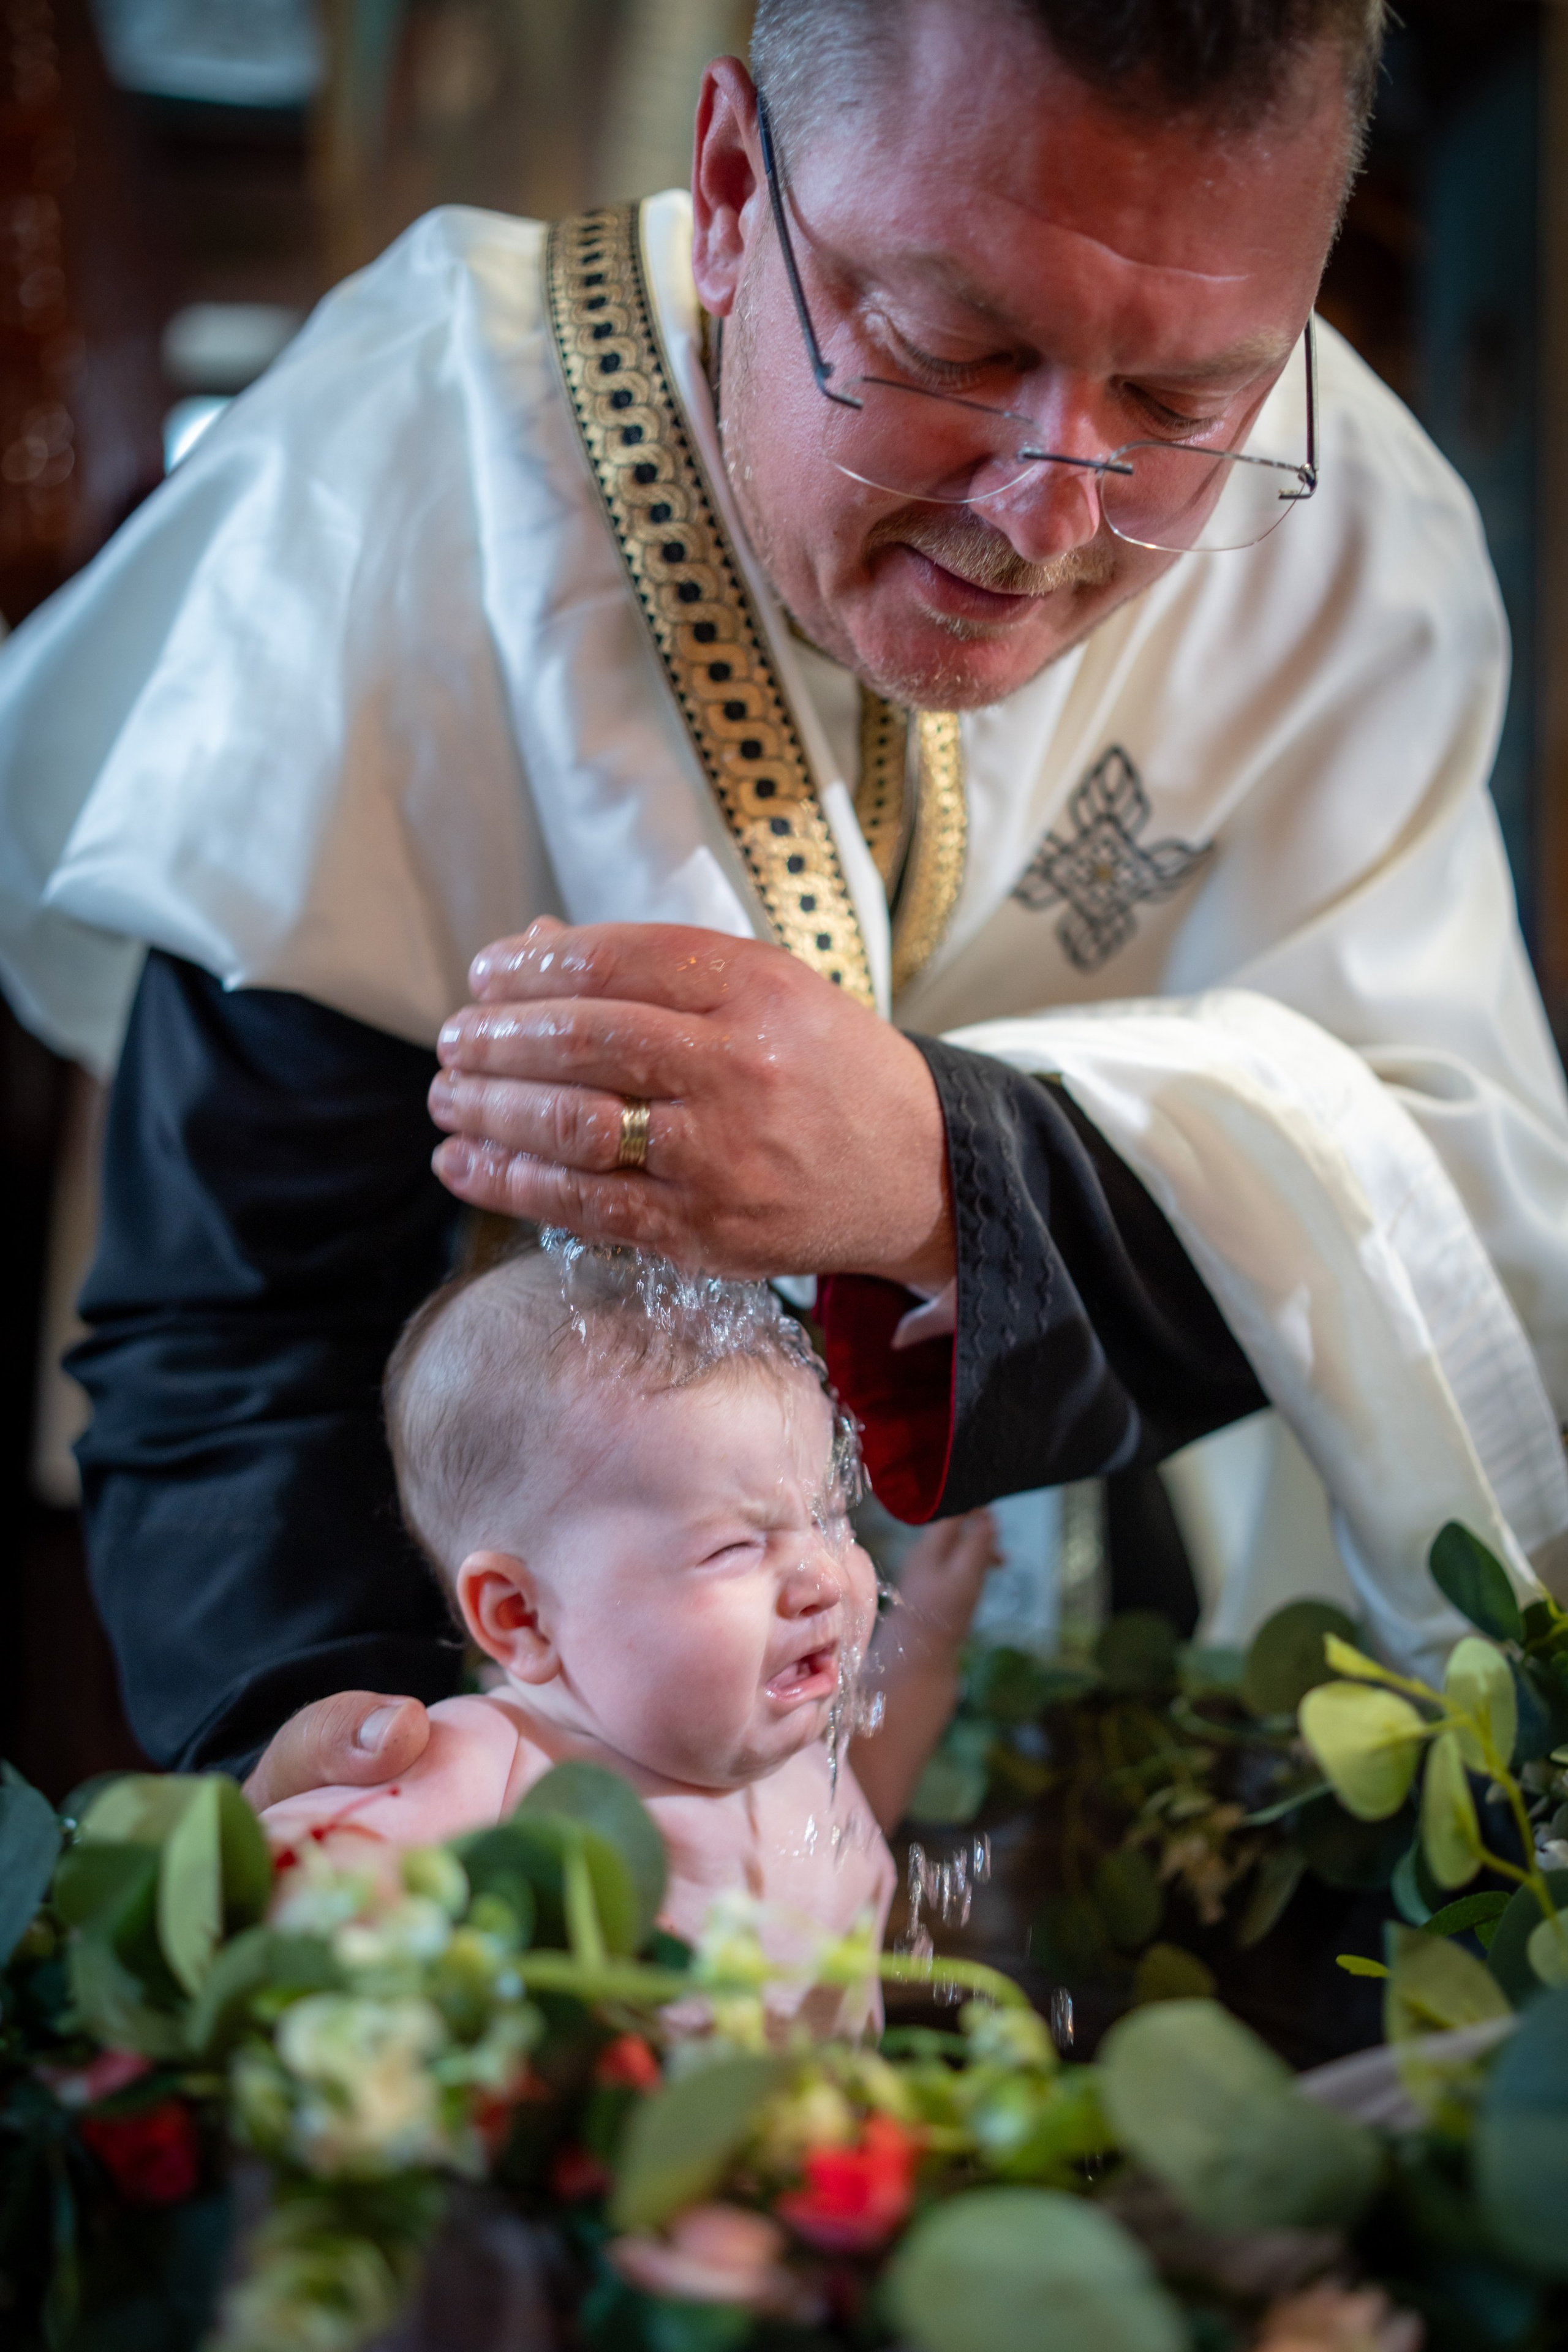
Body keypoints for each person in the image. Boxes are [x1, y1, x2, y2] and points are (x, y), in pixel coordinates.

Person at [0, 0, 1564, 1808]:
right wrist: (363, 1785)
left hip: (1143, 1719)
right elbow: (245, 1327)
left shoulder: (1350, 548)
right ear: (735, 191)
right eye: (954, 346)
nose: (1048, 520)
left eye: (1178, 405)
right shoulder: (407, 480)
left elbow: (1460, 1225)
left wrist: (933, 1180)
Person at [260, 1239, 996, 2029]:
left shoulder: (801, 1762)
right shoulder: (491, 1768)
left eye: (832, 1517)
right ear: (522, 1616)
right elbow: (289, 1887)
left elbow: (872, 1784)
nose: (823, 1580)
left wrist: (934, 1627)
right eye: (734, 1548)